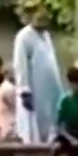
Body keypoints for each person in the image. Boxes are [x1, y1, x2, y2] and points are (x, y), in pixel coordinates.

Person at [13, 8, 65, 144]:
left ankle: (52, 139)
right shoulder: (23, 36)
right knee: (34, 118)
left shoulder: (46, 35)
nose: (42, 22)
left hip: (50, 85)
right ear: (31, 18)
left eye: (44, 19)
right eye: (39, 19)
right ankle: (34, 145)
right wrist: (24, 90)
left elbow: (51, 59)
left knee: (52, 113)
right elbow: (20, 65)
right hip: (34, 85)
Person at [0, 68, 18, 140]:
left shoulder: (4, 86)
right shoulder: (8, 88)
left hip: (7, 125)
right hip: (11, 127)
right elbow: (18, 105)